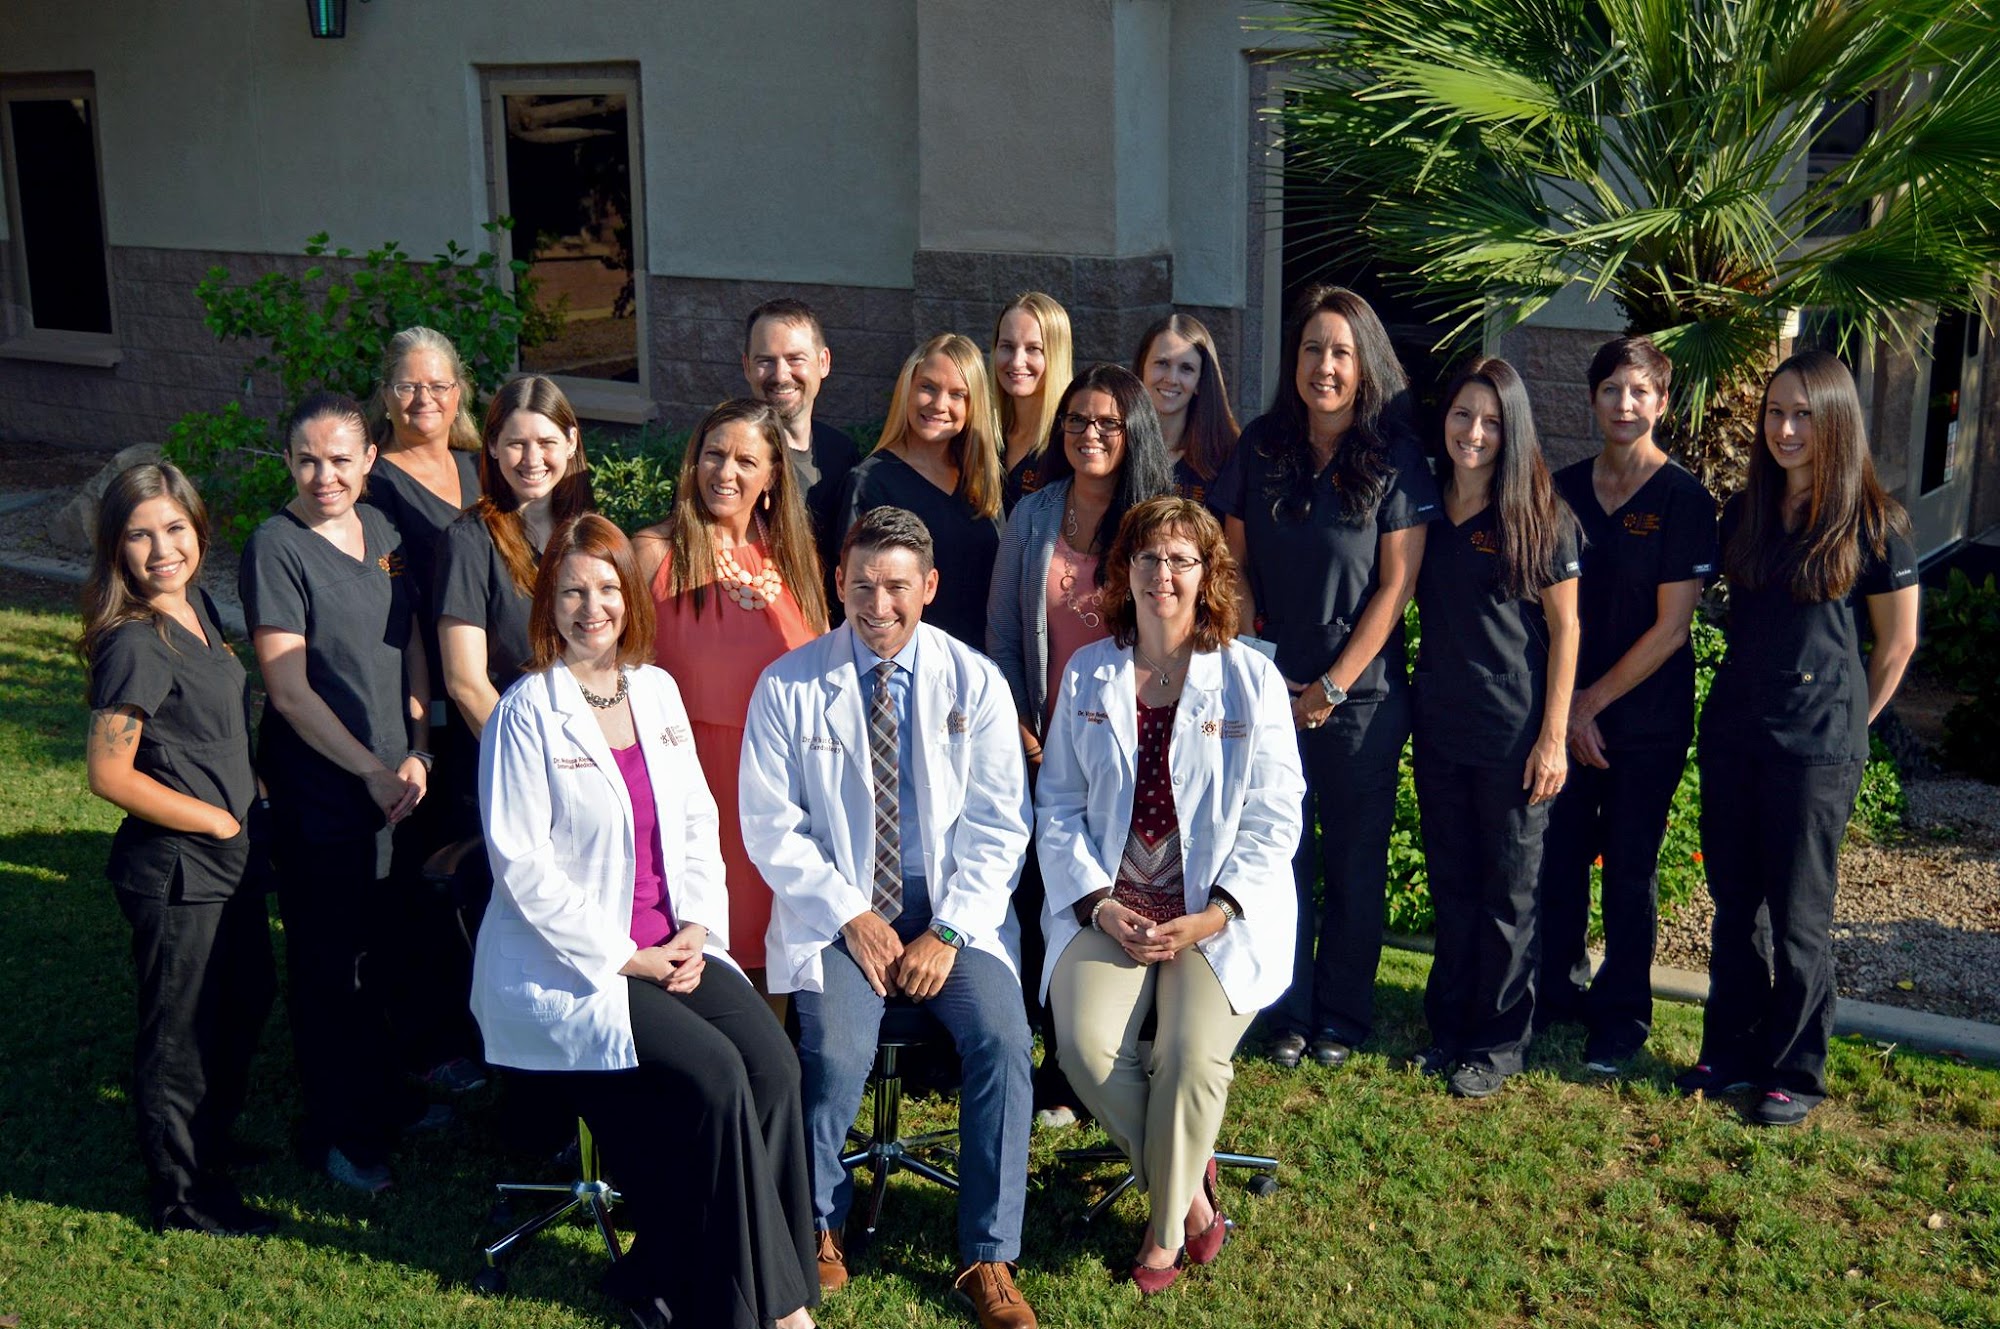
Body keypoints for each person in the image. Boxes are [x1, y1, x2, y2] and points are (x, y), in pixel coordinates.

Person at [475, 515, 817, 1329]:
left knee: (774, 1065)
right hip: (584, 962)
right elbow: (522, 866)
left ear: (630, 596)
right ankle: (773, 1311)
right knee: (717, 1075)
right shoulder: (527, 711)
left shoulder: (655, 689)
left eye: (606, 589)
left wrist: (697, 923)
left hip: (677, 941)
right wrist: (626, 955)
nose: (591, 608)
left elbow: (696, 817)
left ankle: (709, 1273)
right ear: (548, 603)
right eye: (572, 592)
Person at [740, 507, 1039, 1329]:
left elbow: (1000, 823)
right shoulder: (789, 685)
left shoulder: (974, 681)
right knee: (835, 1048)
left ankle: (988, 1254)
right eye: (863, 584)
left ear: (929, 586)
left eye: (898, 586)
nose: (880, 604)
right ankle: (818, 1222)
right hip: (836, 915)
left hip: (954, 916)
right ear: (838, 582)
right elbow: (771, 825)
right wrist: (850, 913)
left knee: (1004, 1039)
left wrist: (949, 929)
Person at [1037, 496, 1303, 1291]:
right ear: (1125, 571)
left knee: (1189, 1057)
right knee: (1085, 1048)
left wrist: (1213, 914)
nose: (1164, 574)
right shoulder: (1089, 671)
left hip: (1215, 913)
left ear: (1208, 573)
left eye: (1182, 559)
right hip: (1111, 906)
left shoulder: (1250, 678)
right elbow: (1058, 804)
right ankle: (1191, 1194)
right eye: (1149, 557)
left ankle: (1161, 1237)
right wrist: (1097, 901)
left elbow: (1276, 814)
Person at [1680, 349, 1918, 1127]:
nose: (1784, 430)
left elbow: (1897, 644)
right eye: (1775, 413)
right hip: (1735, 734)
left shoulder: (1877, 522)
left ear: (1836, 420)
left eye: (1803, 416)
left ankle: (1795, 1072)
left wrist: (1848, 725)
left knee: (1799, 918)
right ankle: (1731, 1050)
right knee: (1735, 905)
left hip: (1816, 750)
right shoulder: (1745, 512)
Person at [1211, 284, 1439, 1069]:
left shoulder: (1395, 458)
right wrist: (1263, 666)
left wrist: (1332, 685)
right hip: (1269, 691)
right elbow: (1233, 564)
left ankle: (1342, 1014)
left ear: (1364, 363)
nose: (1325, 366)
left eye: (1341, 352)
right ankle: (1287, 1008)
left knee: (1351, 859)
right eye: (1312, 349)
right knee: (1277, 857)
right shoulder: (1261, 446)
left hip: (1360, 701)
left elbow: (1397, 586)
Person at [239, 392, 431, 1192]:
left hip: (395, 784)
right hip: (323, 792)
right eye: (308, 460)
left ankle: (383, 1094)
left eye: (341, 460)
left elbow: (410, 639)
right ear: (288, 461)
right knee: (328, 966)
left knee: (380, 951)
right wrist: (370, 770)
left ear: (369, 461)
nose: (325, 476)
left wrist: (417, 748)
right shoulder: (275, 548)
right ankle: (336, 1132)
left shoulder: (382, 531)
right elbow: (288, 691)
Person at [81, 463, 278, 1237]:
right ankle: (183, 1195)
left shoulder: (197, 605)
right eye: (140, 535)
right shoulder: (136, 641)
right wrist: (216, 820)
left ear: (198, 527)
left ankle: (209, 1144)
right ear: (116, 548)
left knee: (245, 999)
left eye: (174, 528)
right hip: (178, 872)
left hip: (232, 862)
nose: (163, 549)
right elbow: (108, 774)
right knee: (181, 1034)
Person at [986, 363, 1173, 1126]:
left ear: (1133, 432)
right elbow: (1003, 635)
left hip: (1131, 749)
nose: (1088, 433)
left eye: (1106, 422)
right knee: (1050, 898)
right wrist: (1019, 724)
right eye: (1076, 420)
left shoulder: (1157, 522)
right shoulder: (1033, 515)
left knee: (1125, 894)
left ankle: (1126, 1047)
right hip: (1042, 747)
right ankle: (1060, 1061)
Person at [1537, 337, 1717, 1073]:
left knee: (1629, 868)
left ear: (1662, 402)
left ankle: (1622, 1017)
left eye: (1640, 390)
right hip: (1569, 714)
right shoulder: (1560, 490)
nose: (1624, 403)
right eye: (1612, 389)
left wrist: (1588, 705)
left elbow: (1673, 628)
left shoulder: (1685, 500)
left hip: (1645, 724)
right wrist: (1566, 713)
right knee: (1559, 858)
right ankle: (1556, 991)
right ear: (1593, 399)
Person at [1409, 358, 1581, 1099]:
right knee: (1453, 885)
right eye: (1462, 415)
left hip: (1513, 734)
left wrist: (1554, 738)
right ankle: (1449, 1026)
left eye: (1491, 421)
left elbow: (1568, 629)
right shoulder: (1424, 503)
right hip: (1440, 727)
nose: (1474, 433)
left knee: (1509, 894)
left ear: (1513, 431)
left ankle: (1498, 1041)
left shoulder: (1540, 514)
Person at [633, 398, 828, 997]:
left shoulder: (796, 556)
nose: (725, 472)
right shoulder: (654, 552)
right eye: (714, 455)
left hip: (781, 784)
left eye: (746, 461)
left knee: (781, 938)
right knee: (705, 942)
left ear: (772, 476)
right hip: (693, 781)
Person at [362, 325, 488, 1091]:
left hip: (487, 694)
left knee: (476, 861)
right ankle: (426, 1038)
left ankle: (480, 1022)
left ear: (458, 391)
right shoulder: (373, 482)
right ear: (386, 395)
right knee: (419, 869)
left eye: (438, 384)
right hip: (423, 700)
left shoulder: (480, 467)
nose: (424, 399)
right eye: (409, 385)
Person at [436, 375, 594, 741]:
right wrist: (530, 755)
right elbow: (465, 683)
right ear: (493, 445)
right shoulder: (468, 542)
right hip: (512, 748)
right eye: (516, 444)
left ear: (571, 442)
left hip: (590, 746)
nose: (532, 459)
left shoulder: (589, 533)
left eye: (546, 442)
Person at [839, 334, 1005, 649]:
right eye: (927, 387)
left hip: (979, 663)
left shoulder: (981, 481)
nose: (939, 404)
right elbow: (855, 597)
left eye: (957, 394)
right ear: (907, 389)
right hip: (907, 664)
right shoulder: (870, 482)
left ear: (973, 405)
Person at [742, 298, 862, 586]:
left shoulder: (842, 452)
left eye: (795, 359)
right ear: (747, 367)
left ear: (823, 362)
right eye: (765, 361)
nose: (781, 375)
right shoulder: (728, 458)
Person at [1132, 314, 1241, 509]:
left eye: (1186, 368)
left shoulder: (1227, 457)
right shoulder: (1117, 444)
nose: (1171, 379)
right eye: (1162, 363)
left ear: (1200, 381)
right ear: (1142, 368)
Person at [991, 292, 1075, 512]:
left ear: (1057, 355)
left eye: (1033, 349)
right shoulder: (983, 433)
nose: (1017, 361)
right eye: (1007, 346)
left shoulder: (1073, 440)